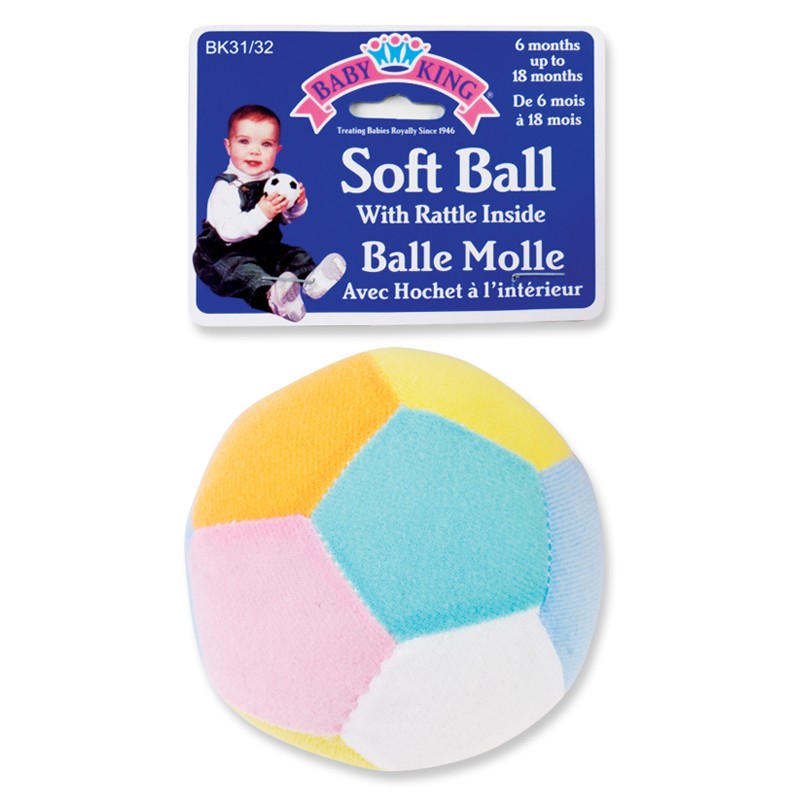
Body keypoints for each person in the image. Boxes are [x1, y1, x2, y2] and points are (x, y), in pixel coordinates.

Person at [193, 104, 345, 322]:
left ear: (277, 150)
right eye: (244, 142)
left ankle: (311, 282)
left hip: (263, 250)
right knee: (245, 272)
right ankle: (273, 298)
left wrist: (297, 203)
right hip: (223, 256)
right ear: (228, 146)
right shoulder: (226, 187)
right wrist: (262, 212)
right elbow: (227, 232)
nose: (255, 151)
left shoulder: (277, 181)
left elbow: (286, 219)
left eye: (266, 144)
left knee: (294, 255)